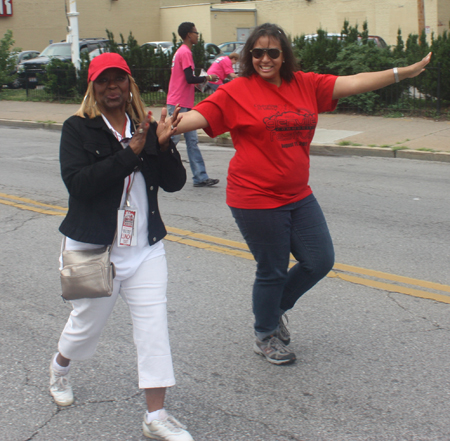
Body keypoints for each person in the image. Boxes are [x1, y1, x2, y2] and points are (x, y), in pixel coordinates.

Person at [163, 23, 432, 365]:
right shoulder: (237, 91)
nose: (264, 59)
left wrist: (401, 73)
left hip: (297, 193)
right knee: (272, 270)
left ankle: (274, 312)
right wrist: (167, 126)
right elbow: (201, 115)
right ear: (249, 56)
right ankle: (265, 334)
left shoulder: (305, 84)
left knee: (320, 260)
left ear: (283, 55)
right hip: (255, 196)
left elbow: (354, 82)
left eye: (272, 52)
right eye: (257, 52)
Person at [50, 52, 194, 441]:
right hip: (93, 248)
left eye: (119, 80)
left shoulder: (144, 125)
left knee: (153, 328)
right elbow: (80, 184)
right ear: (93, 88)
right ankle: (60, 367)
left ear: (129, 84)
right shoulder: (78, 129)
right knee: (86, 325)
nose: (112, 87)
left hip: (144, 247)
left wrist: (161, 147)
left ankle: (156, 415)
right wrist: (131, 152)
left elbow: (175, 183)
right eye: (103, 80)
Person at [166, 21, 220, 188]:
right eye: (195, 32)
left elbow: (186, 79)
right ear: (189, 35)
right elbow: (190, 78)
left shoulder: (180, 52)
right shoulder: (185, 52)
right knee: (170, 141)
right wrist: (208, 78)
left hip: (181, 102)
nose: (197, 35)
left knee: (191, 141)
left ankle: (200, 177)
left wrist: (200, 82)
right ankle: (152, 169)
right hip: (179, 104)